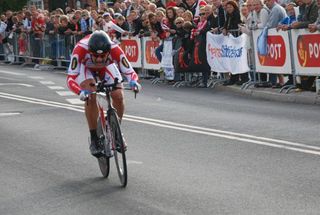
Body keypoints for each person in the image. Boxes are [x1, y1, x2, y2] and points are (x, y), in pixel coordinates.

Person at [66, 31, 141, 157]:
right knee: (90, 94)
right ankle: (94, 137)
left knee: (118, 94)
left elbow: (130, 72)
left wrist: (134, 82)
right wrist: (80, 91)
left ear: (108, 52)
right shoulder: (80, 49)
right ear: (90, 52)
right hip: (86, 69)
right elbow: (70, 78)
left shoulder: (115, 49)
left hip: (107, 68)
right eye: (95, 56)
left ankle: (116, 133)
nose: (99, 59)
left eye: (103, 56)